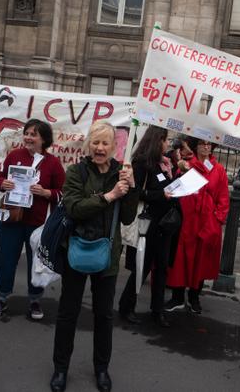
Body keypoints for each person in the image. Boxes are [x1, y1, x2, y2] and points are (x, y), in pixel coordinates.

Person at [50, 121, 139, 392]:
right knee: (68, 314)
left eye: (105, 143)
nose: (100, 148)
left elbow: (127, 218)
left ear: (114, 146)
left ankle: (102, 369)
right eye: (96, 142)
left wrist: (131, 188)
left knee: (104, 316)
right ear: (89, 144)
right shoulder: (76, 172)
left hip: (108, 255)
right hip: (76, 250)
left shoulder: (121, 173)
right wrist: (110, 195)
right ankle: (60, 369)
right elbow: (74, 208)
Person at [0, 119, 65, 320]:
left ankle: (35, 300)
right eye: (27, 133)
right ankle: (2, 298)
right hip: (11, 218)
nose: (29, 138)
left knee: (36, 262)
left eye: (34, 134)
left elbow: (63, 193)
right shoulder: (14, 155)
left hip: (37, 222)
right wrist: (2, 183)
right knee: (7, 260)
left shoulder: (53, 163)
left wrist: (46, 192)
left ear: (44, 139)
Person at [118, 126, 178, 328]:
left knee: (161, 268)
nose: (168, 144)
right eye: (166, 140)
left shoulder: (167, 163)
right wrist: (161, 195)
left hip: (165, 224)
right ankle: (126, 306)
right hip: (148, 222)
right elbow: (136, 192)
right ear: (157, 140)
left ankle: (157, 310)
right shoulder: (142, 163)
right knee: (141, 267)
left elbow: (166, 186)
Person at [164, 136, 229, 314]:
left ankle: (194, 297)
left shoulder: (219, 170)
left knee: (201, 261)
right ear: (196, 146)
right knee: (181, 260)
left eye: (209, 144)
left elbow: (223, 198)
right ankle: (177, 297)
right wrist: (182, 171)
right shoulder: (187, 165)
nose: (206, 147)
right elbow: (173, 190)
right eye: (202, 143)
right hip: (187, 221)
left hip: (206, 223)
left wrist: (217, 220)